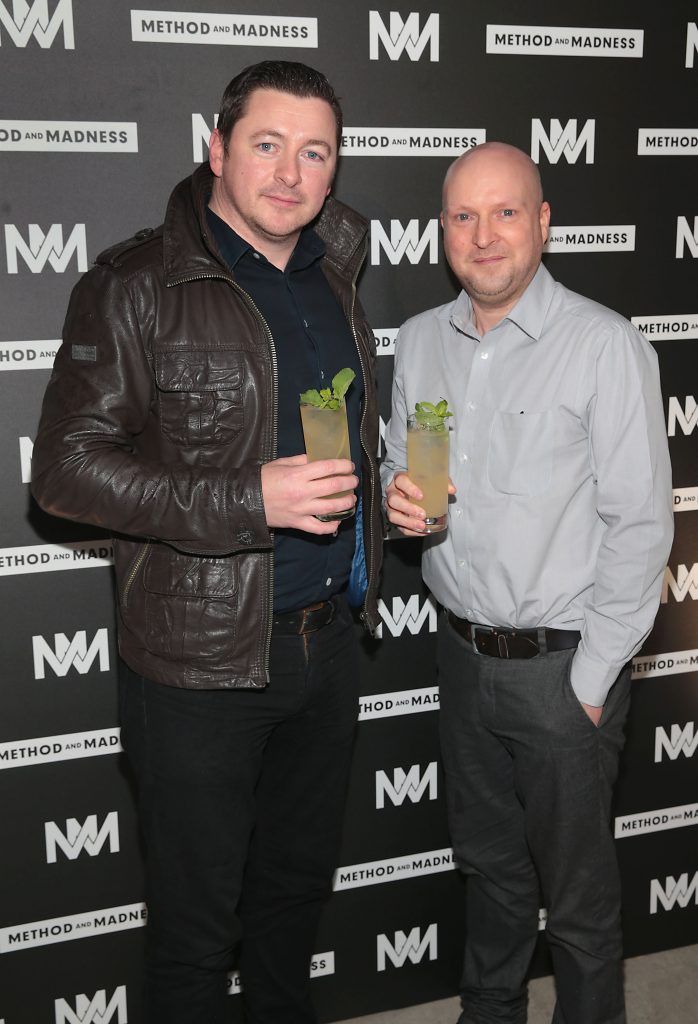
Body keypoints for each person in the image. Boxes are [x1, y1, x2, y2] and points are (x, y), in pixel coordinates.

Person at [32, 60, 382, 1024]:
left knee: (291, 905)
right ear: (218, 148)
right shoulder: (135, 281)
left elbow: (333, 438)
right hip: (197, 669)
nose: (290, 173)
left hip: (327, 645)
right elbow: (62, 473)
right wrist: (245, 497)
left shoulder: (335, 271)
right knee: (194, 938)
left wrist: (382, 506)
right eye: (266, 145)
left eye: (315, 153)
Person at [382, 142, 673, 1024]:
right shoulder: (422, 342)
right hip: (463, 658)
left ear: (543, 223)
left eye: (506, 211)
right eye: (464, 216)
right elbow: (413, 471)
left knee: (579, 907)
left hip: (562, 671)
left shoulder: (602, 343)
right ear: (442, 233)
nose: (484, 234)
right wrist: (408, 504)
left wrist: (590, 681)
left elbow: (643, 526)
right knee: (491, 871)